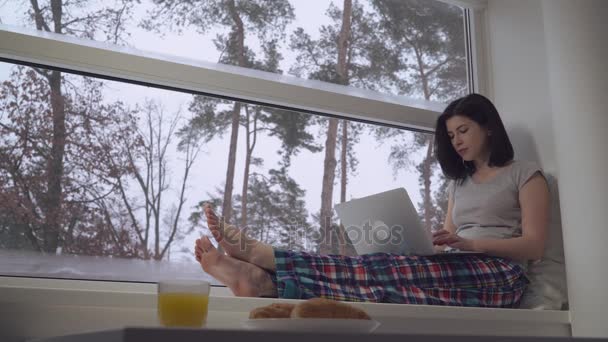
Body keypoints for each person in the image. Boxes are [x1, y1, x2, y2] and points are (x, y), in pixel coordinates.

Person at [194, 93, 550, 308]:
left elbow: (534, 246)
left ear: (488, 127)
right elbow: (447, 241)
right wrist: (422, 245)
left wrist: (469, 243)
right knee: (382, 282)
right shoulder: (459, 184)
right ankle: (264, 283)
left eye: (463, 130)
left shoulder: (524, 174)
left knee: (382, 273)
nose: (456, 140)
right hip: (460, 269)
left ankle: (264, 256)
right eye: (451, 134)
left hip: (502, 278)